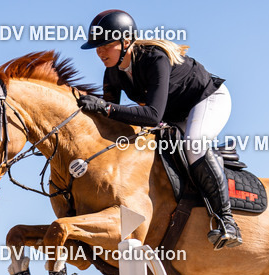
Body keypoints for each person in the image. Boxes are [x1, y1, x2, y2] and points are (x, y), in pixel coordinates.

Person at [77, 9, 242, 249]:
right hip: (173, 114)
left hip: (206, 100)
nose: (100, 52)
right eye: (97, 47)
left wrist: (105, 107)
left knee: (193, 145)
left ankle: (227, 221)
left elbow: (152, 116)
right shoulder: (112, 73)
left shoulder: (154, 59)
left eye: (106, 45)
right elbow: (110, 121)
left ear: (126, 41)